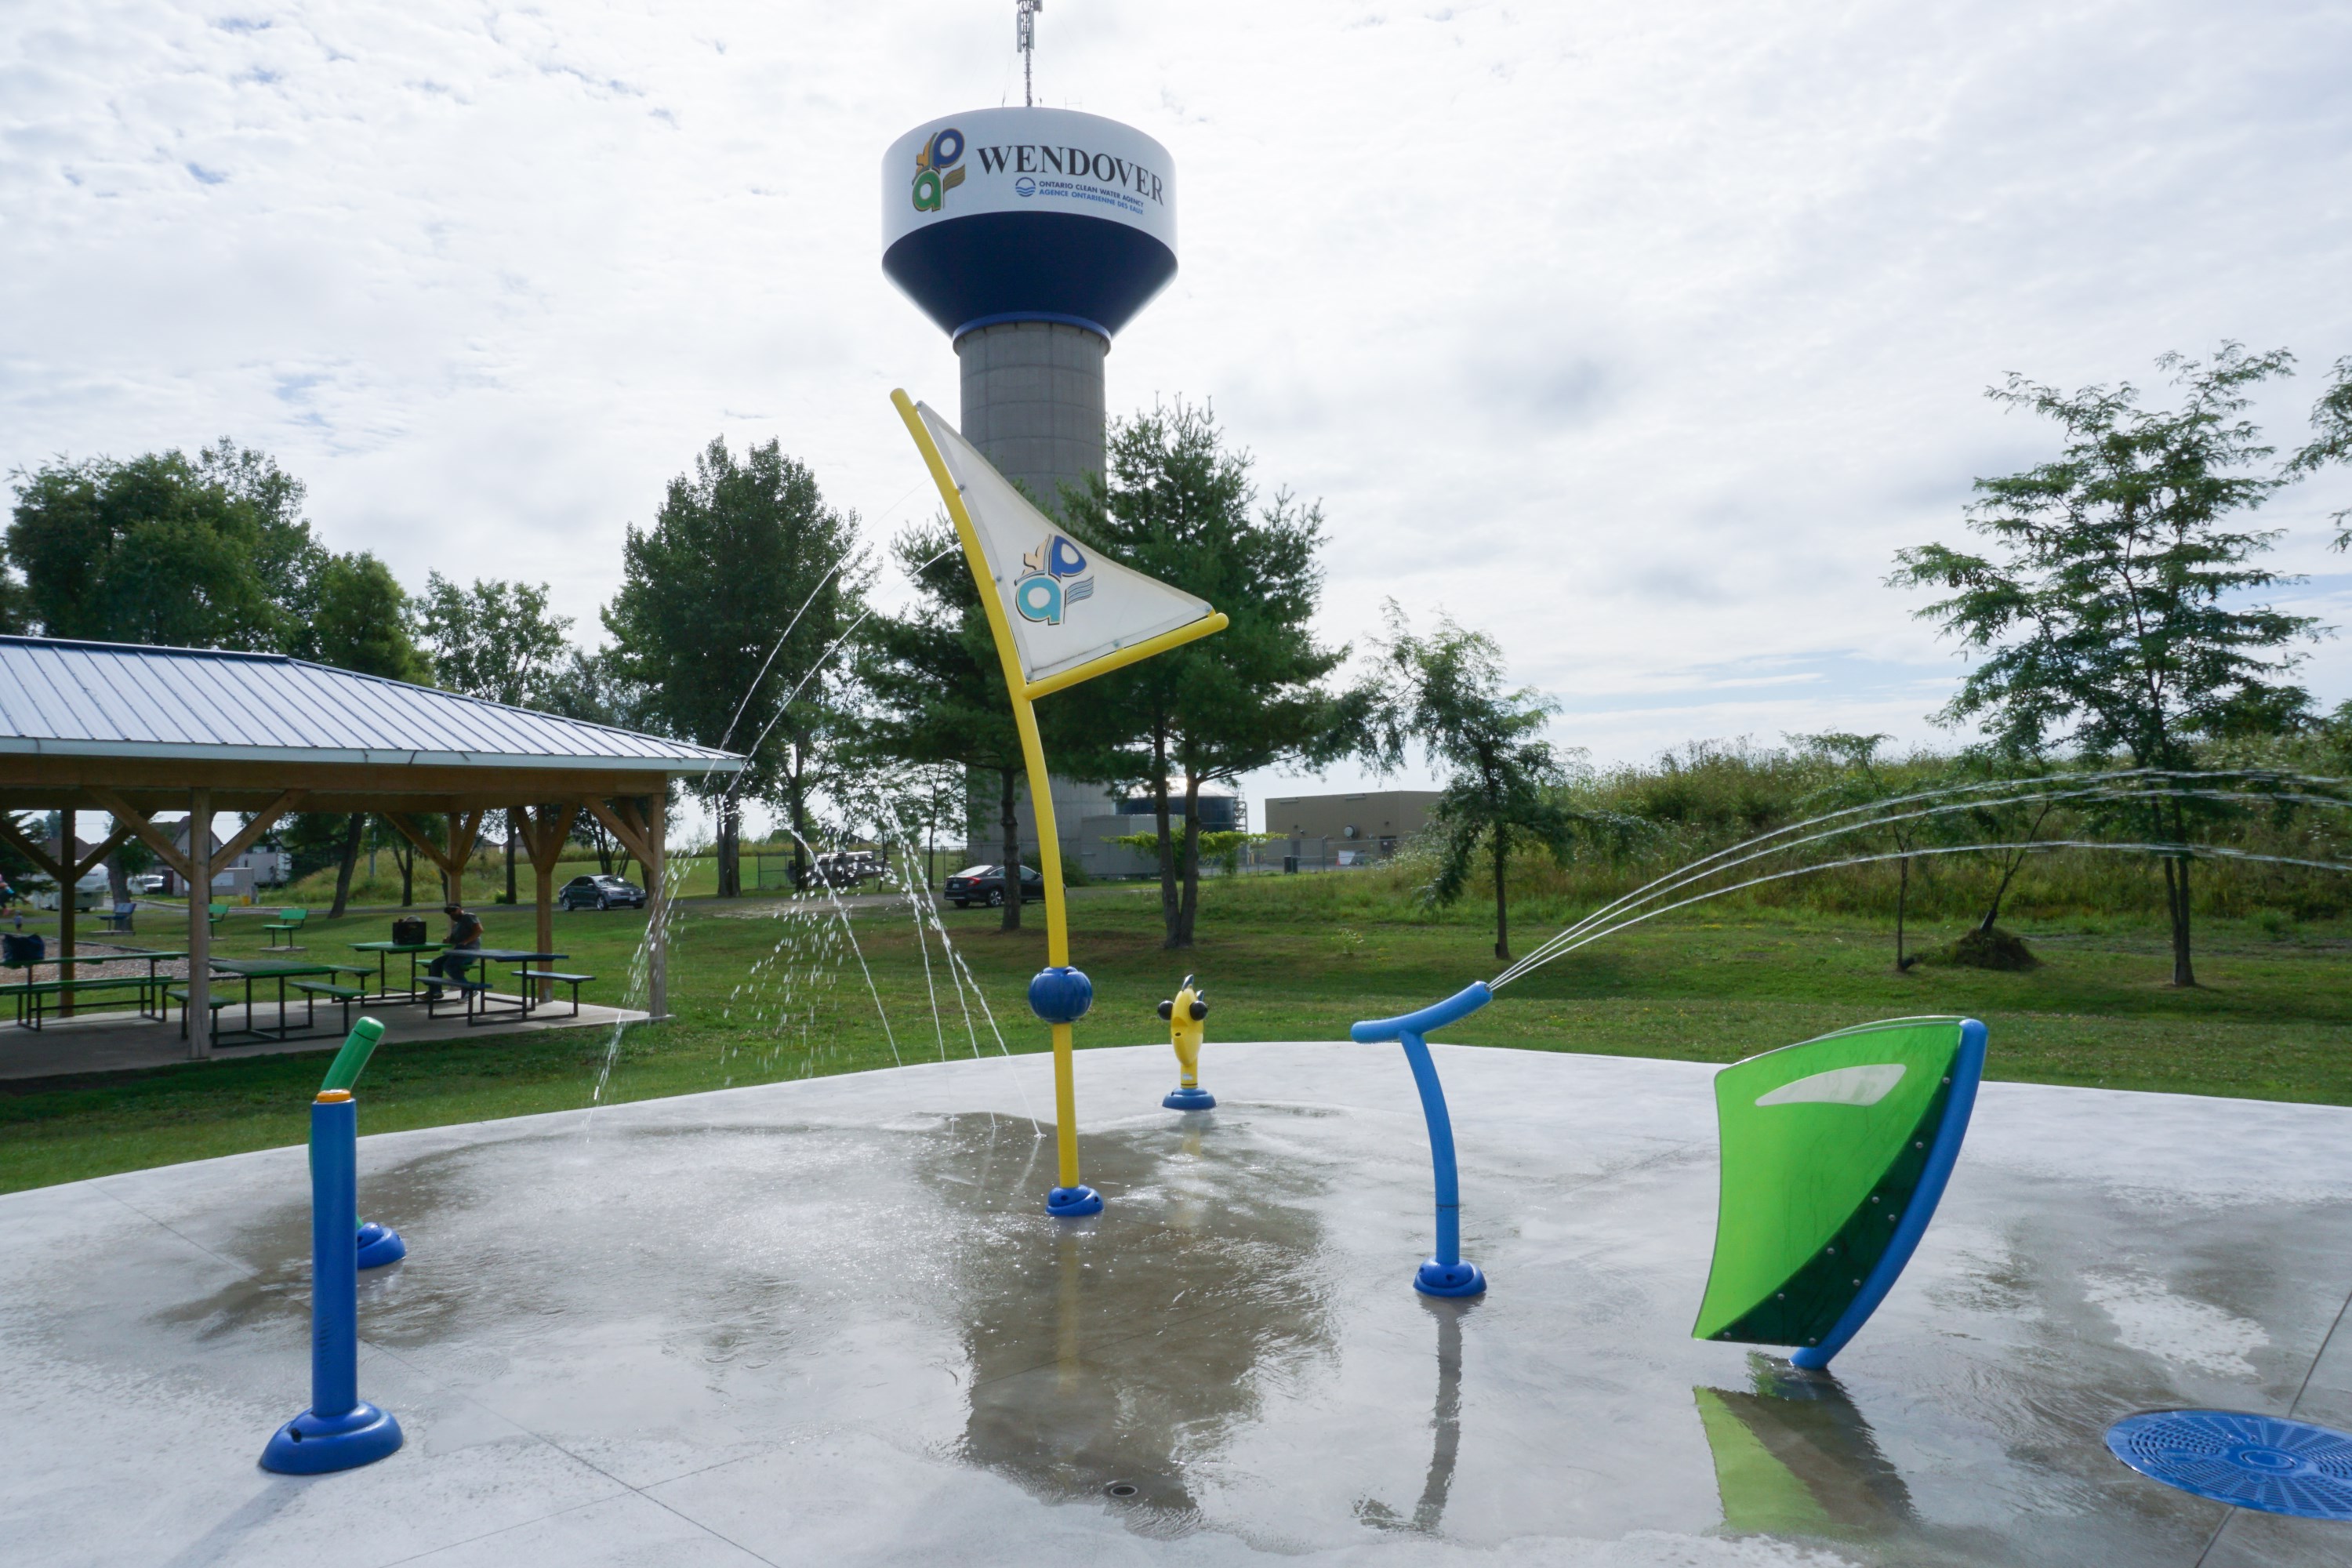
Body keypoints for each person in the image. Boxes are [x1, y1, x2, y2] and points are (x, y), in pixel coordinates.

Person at [423, 902, 485, 1000]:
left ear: (460, 909)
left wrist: (466, 942)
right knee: (436, 963)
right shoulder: (456, 926)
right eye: (449, 912)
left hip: (470, 952)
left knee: (449, 965)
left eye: (453, 910)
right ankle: (436, 991)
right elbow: (454, 940)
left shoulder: (469, 916)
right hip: (458, 952)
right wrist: (448, 939)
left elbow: (479, 930)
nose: (452, 913)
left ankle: (469, 989)